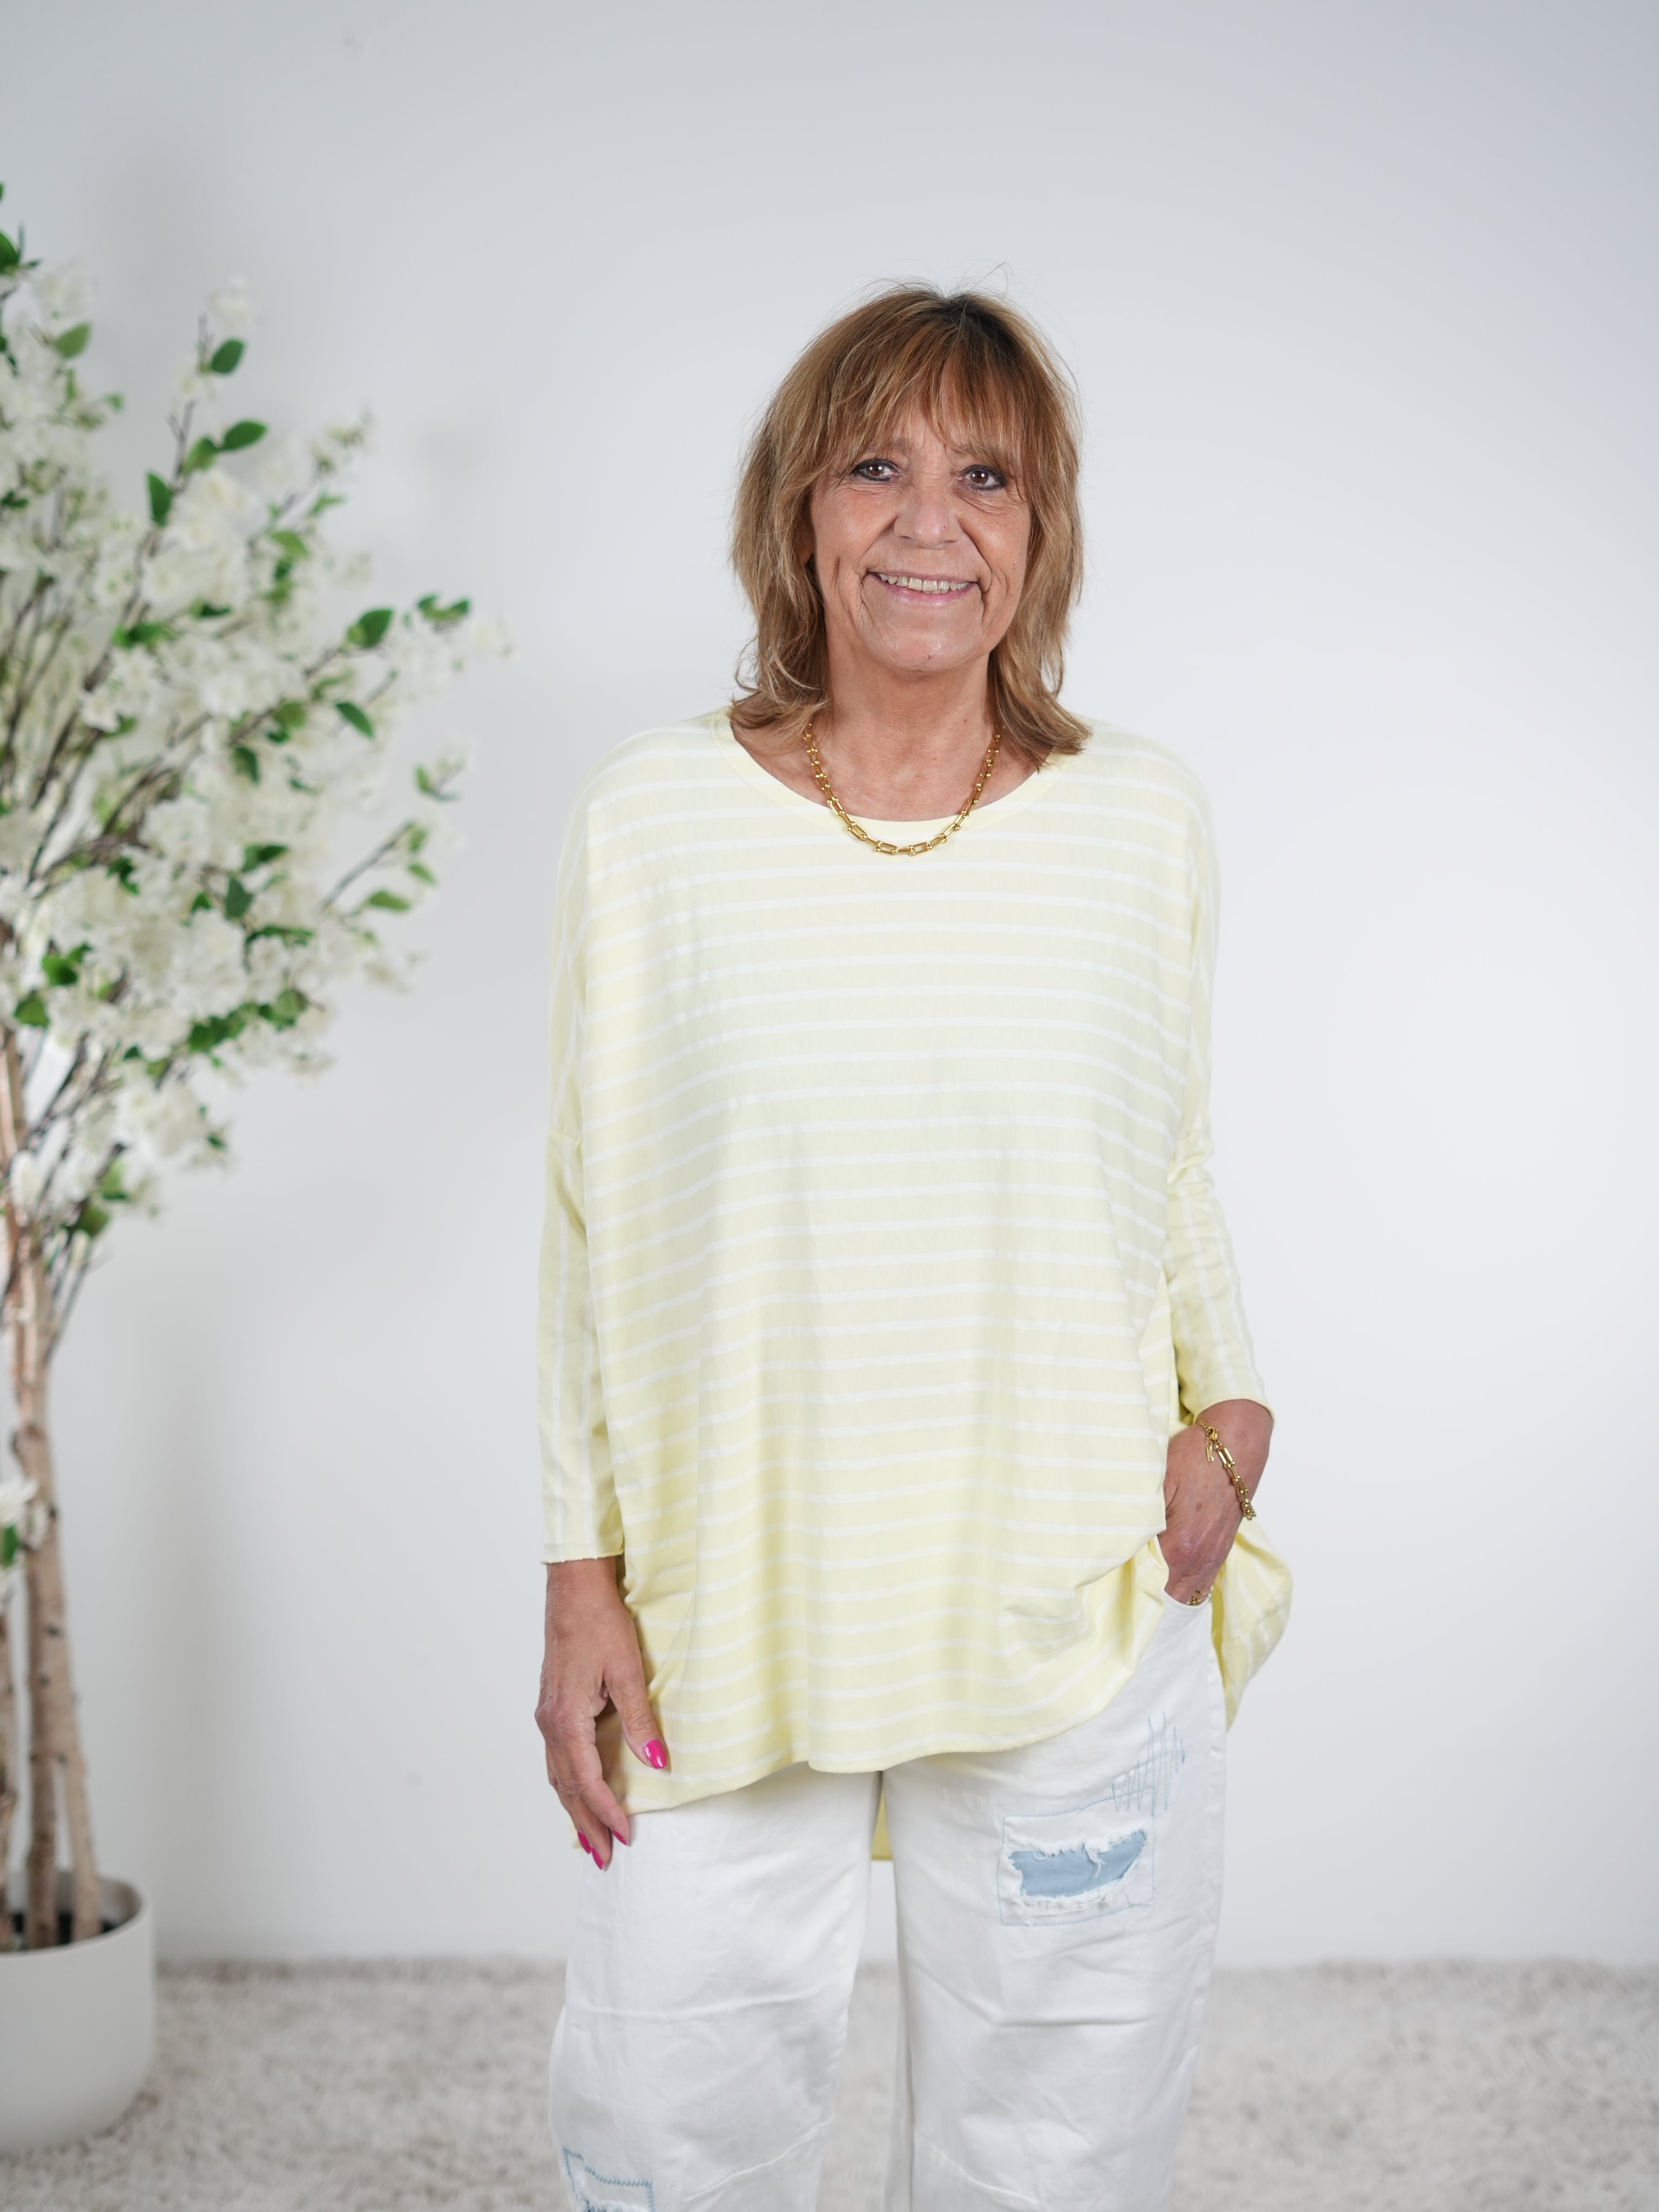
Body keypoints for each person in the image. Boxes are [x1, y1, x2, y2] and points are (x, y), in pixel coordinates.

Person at [534, 286, 1290, 2212]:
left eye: (988, 477)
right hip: (726, 1584)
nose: (929, 521)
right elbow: (586, 1217)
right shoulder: (651, 821)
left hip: (1071, 1576)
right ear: (799, 511)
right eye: (876, 465)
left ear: (1044, 532)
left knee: (1055, 2152)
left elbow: (1165, 1157)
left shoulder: (1141, 821)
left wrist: (1236, 1404)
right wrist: (576, 1576)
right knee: (674, 2139)